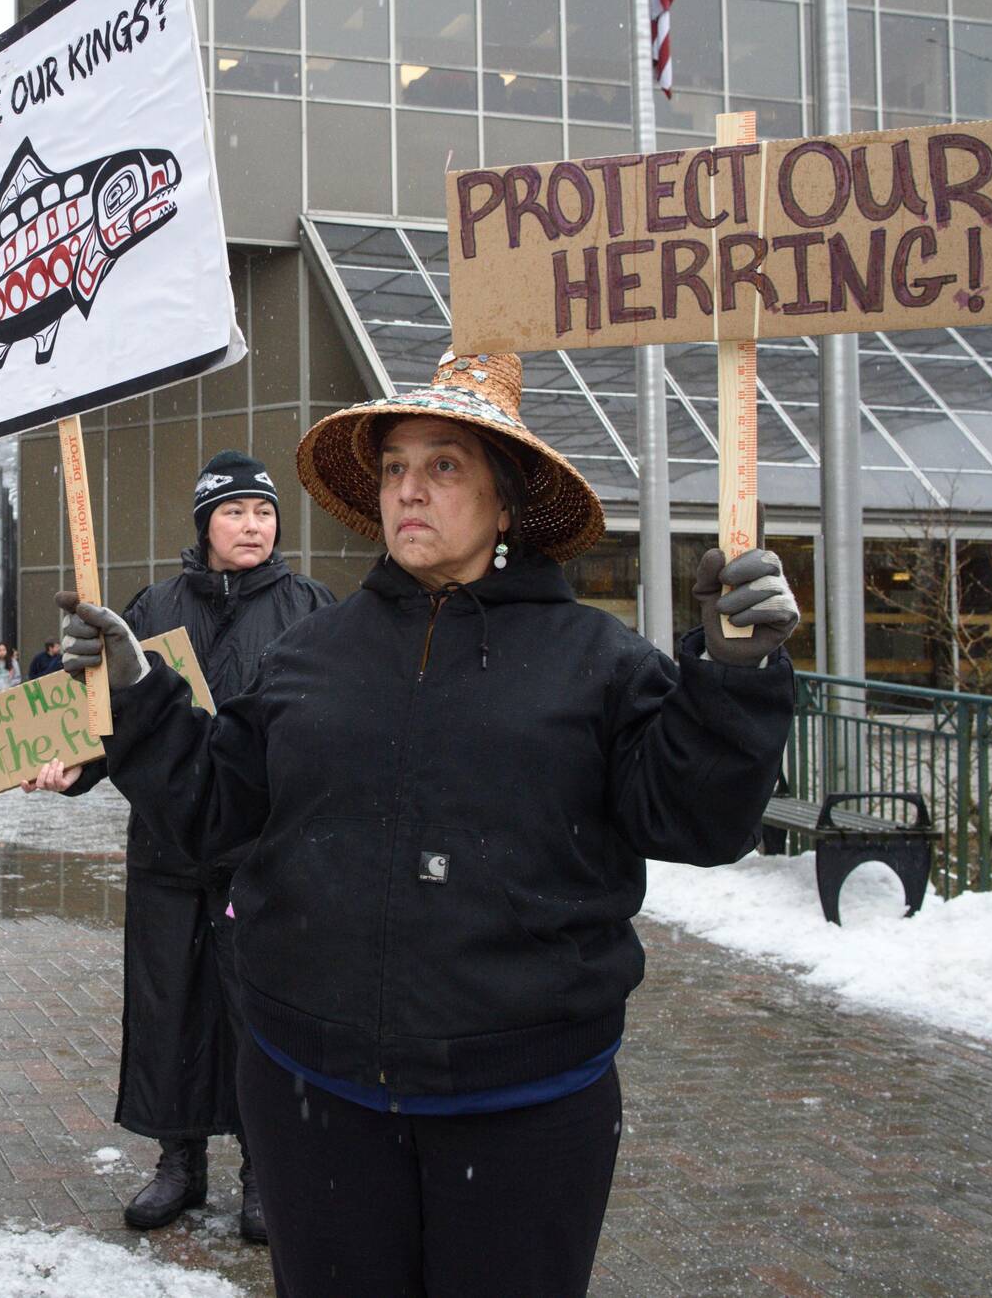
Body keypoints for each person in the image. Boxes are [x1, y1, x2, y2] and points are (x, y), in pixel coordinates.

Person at [55, 350, 799, 1298]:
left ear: (509, 503)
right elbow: (210, 807)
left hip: (526, 1104)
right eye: (396, 466)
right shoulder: (310, 653)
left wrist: (732, 681)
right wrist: (139, 695)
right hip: (309, 1090)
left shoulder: (599, 664)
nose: (410, 488)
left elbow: (700, 818)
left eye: (444, 465)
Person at [25, 450, 335, 1243]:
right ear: (204, 524)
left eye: (263, 512)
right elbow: (108, 707)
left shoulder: (312, 607)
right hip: (167, 847)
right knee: (169, 1003)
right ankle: (178, 1160)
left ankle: (267, 1170)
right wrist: (73, 761)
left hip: (264, 855)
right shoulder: (154, 605)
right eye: (235, 511)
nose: (253, 525)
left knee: (258, 1011)